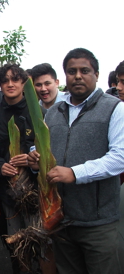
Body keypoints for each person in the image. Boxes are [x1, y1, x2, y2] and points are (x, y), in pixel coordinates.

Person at [29, 48, 124, 274]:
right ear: (65, 76)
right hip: (62, 219)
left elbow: (119, 157)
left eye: (85, 70)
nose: (78, 76)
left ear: (97, 74)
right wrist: (35, 157)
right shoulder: (53, 113)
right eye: (72, 71)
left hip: (98, 223)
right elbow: (45, 147)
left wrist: (75, 173)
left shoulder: (114, 108)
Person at [0, 64, 55, 274]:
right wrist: (0, 166)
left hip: (37, 191)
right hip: (9, 192)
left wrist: (34, 158)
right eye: (5, 81)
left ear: (24, 82)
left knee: (44, 243)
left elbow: (51, 150)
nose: (10, 84)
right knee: (17, 245)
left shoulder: (39, 113)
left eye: (15, 79)